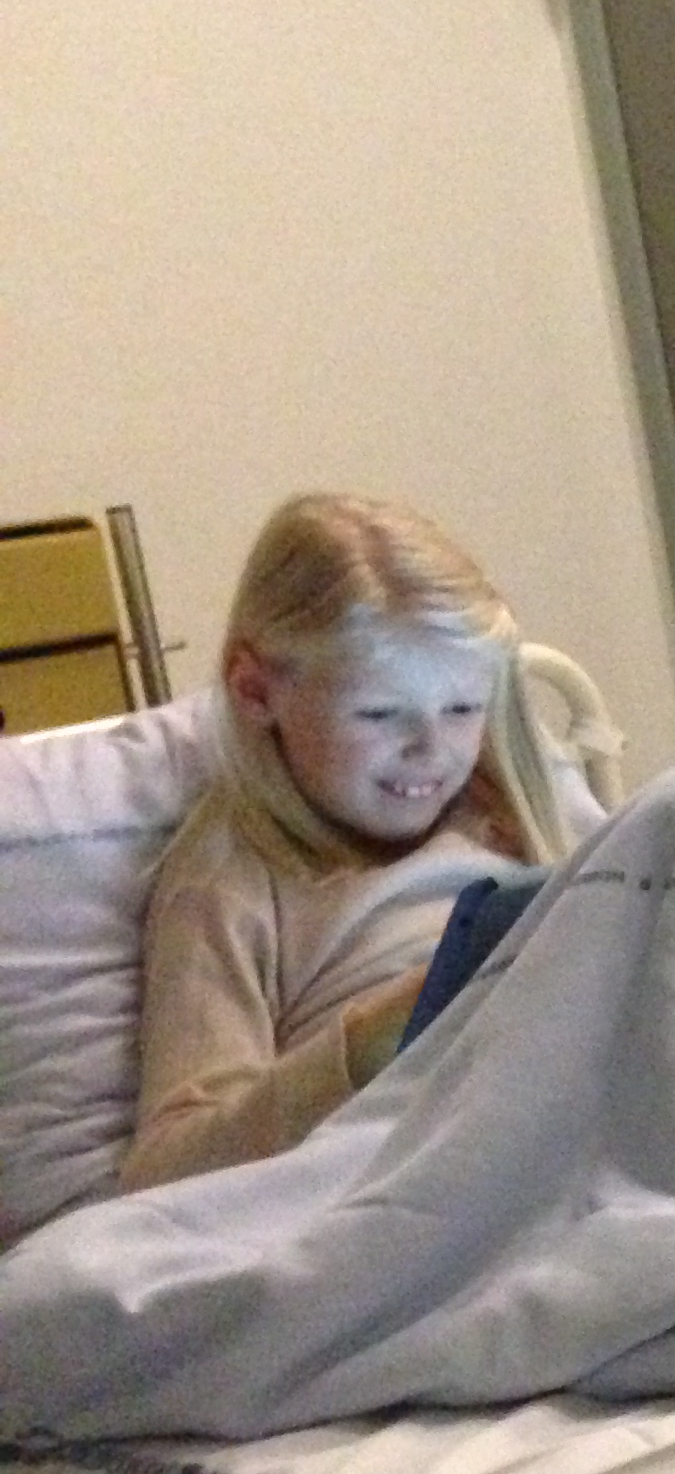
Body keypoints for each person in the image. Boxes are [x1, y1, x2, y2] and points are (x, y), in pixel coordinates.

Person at [120, 492, 608, 1191]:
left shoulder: (518, 800)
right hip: (419, 1168)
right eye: (379, 714)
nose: (431, 750)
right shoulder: (232, 881)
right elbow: (164, 1174)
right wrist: (374, 1037)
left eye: (462, 708)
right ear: (255, 692)